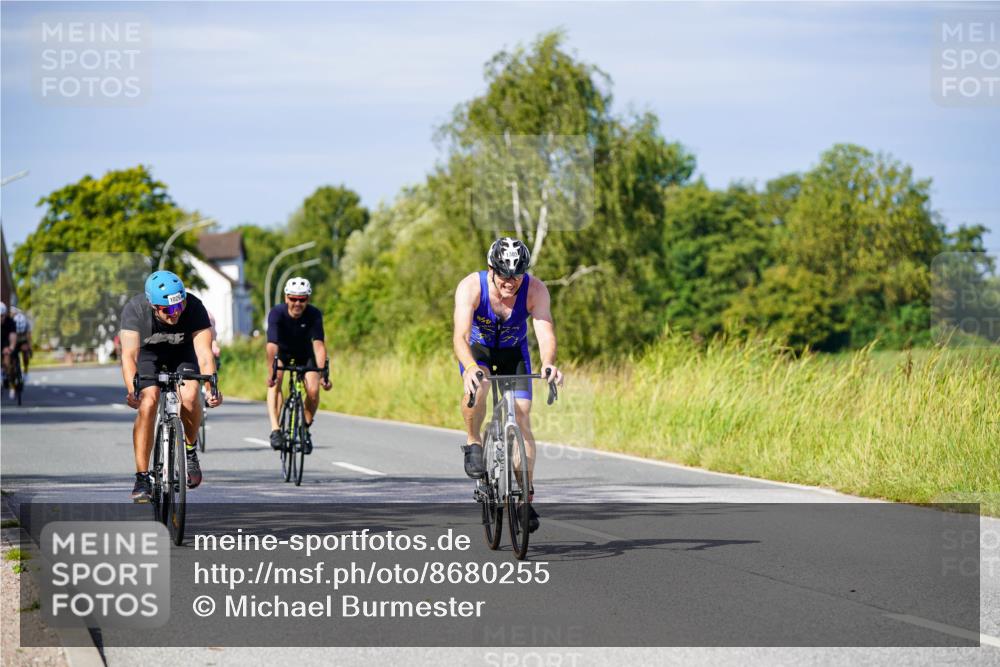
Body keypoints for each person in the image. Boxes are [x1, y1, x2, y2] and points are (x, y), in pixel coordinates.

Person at [452, 237, 563, 533]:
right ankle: (474, 440)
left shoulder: (535, 289)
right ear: (491, 269)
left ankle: (525, 497)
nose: (510, 282)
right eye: (504, 274)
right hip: (479, 350)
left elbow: (545, 329)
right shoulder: (471, 287)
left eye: (517, 274)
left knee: (522, 414)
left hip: (515, 351)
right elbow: (460, 336)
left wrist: (549, 362)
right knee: (481, 387)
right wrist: (471, 368)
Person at [120, 271, 222, 502]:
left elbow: (205, 354)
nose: (176, 314)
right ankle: (142, 477)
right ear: (153, 306)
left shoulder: (194, 307)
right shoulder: (135, 310)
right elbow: (128, 356)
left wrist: (212, 387)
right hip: (148, 356)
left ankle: (190, 450)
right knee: (148, 401)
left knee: (190, 393)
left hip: (182, 354)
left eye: (179, 307)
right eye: (168, 310)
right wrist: (131, 389)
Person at [265, 277, 331, 454]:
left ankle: (304, 429)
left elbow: (318, 346)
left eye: (302, 300)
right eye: (293, 299)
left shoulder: (314, 314)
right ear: (286, 298)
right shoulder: (276, 313)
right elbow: (272, 345)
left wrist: (324, 374)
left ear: (307, 300)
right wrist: (271, 373)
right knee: (276, 379)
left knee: (313, 390)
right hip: (283, 353)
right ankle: (275, 430)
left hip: (304, 354)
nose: (297, 303)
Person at [1, 303, 17, 393]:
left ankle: (7, 375)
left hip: (6, 342)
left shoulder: (10, 322)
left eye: (1, 316)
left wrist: (10, 348)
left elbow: (13, 338)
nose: (0, 318)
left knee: (7, 354)